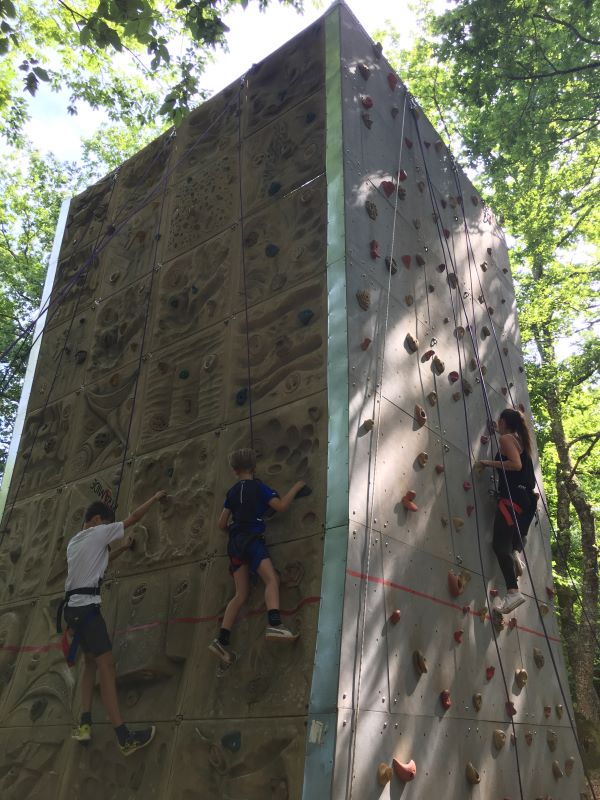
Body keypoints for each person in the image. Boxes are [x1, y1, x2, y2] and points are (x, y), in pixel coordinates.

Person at [59, 491, 166, 755]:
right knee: (107, 666)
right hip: (87, 610)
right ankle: (123, 736)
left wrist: (123, 549)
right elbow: (133, 518)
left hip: (72, 611)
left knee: (90, 664)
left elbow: (100, 564)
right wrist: (154, 498)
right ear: (97, 520)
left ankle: (84, 723)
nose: (108, 530)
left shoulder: (75, 542)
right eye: (106, 524)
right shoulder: (99, 532)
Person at [208, 448, 307, 666]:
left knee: (240, 594)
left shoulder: (232, 492)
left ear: (235, 470)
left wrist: (235, 531)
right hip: (252, 542)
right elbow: (280, 507)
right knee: (271, 579)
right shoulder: (260, 488)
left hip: (235, 544)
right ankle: (275, 624)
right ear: (254, 467)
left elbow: (221, 524)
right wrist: (297, 487)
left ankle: (221, 640)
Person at [477, 409, 538, 614]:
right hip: (524, 501)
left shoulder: (506, 439)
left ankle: (513, 591)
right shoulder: (519, 440)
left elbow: (515, 464)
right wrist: (497, 431)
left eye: (499, 421)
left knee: (499, 545)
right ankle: (515, 553)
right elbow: (517, 458)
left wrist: (487, 462)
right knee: (508, 542)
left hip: (511, 500)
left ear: (503, 421)